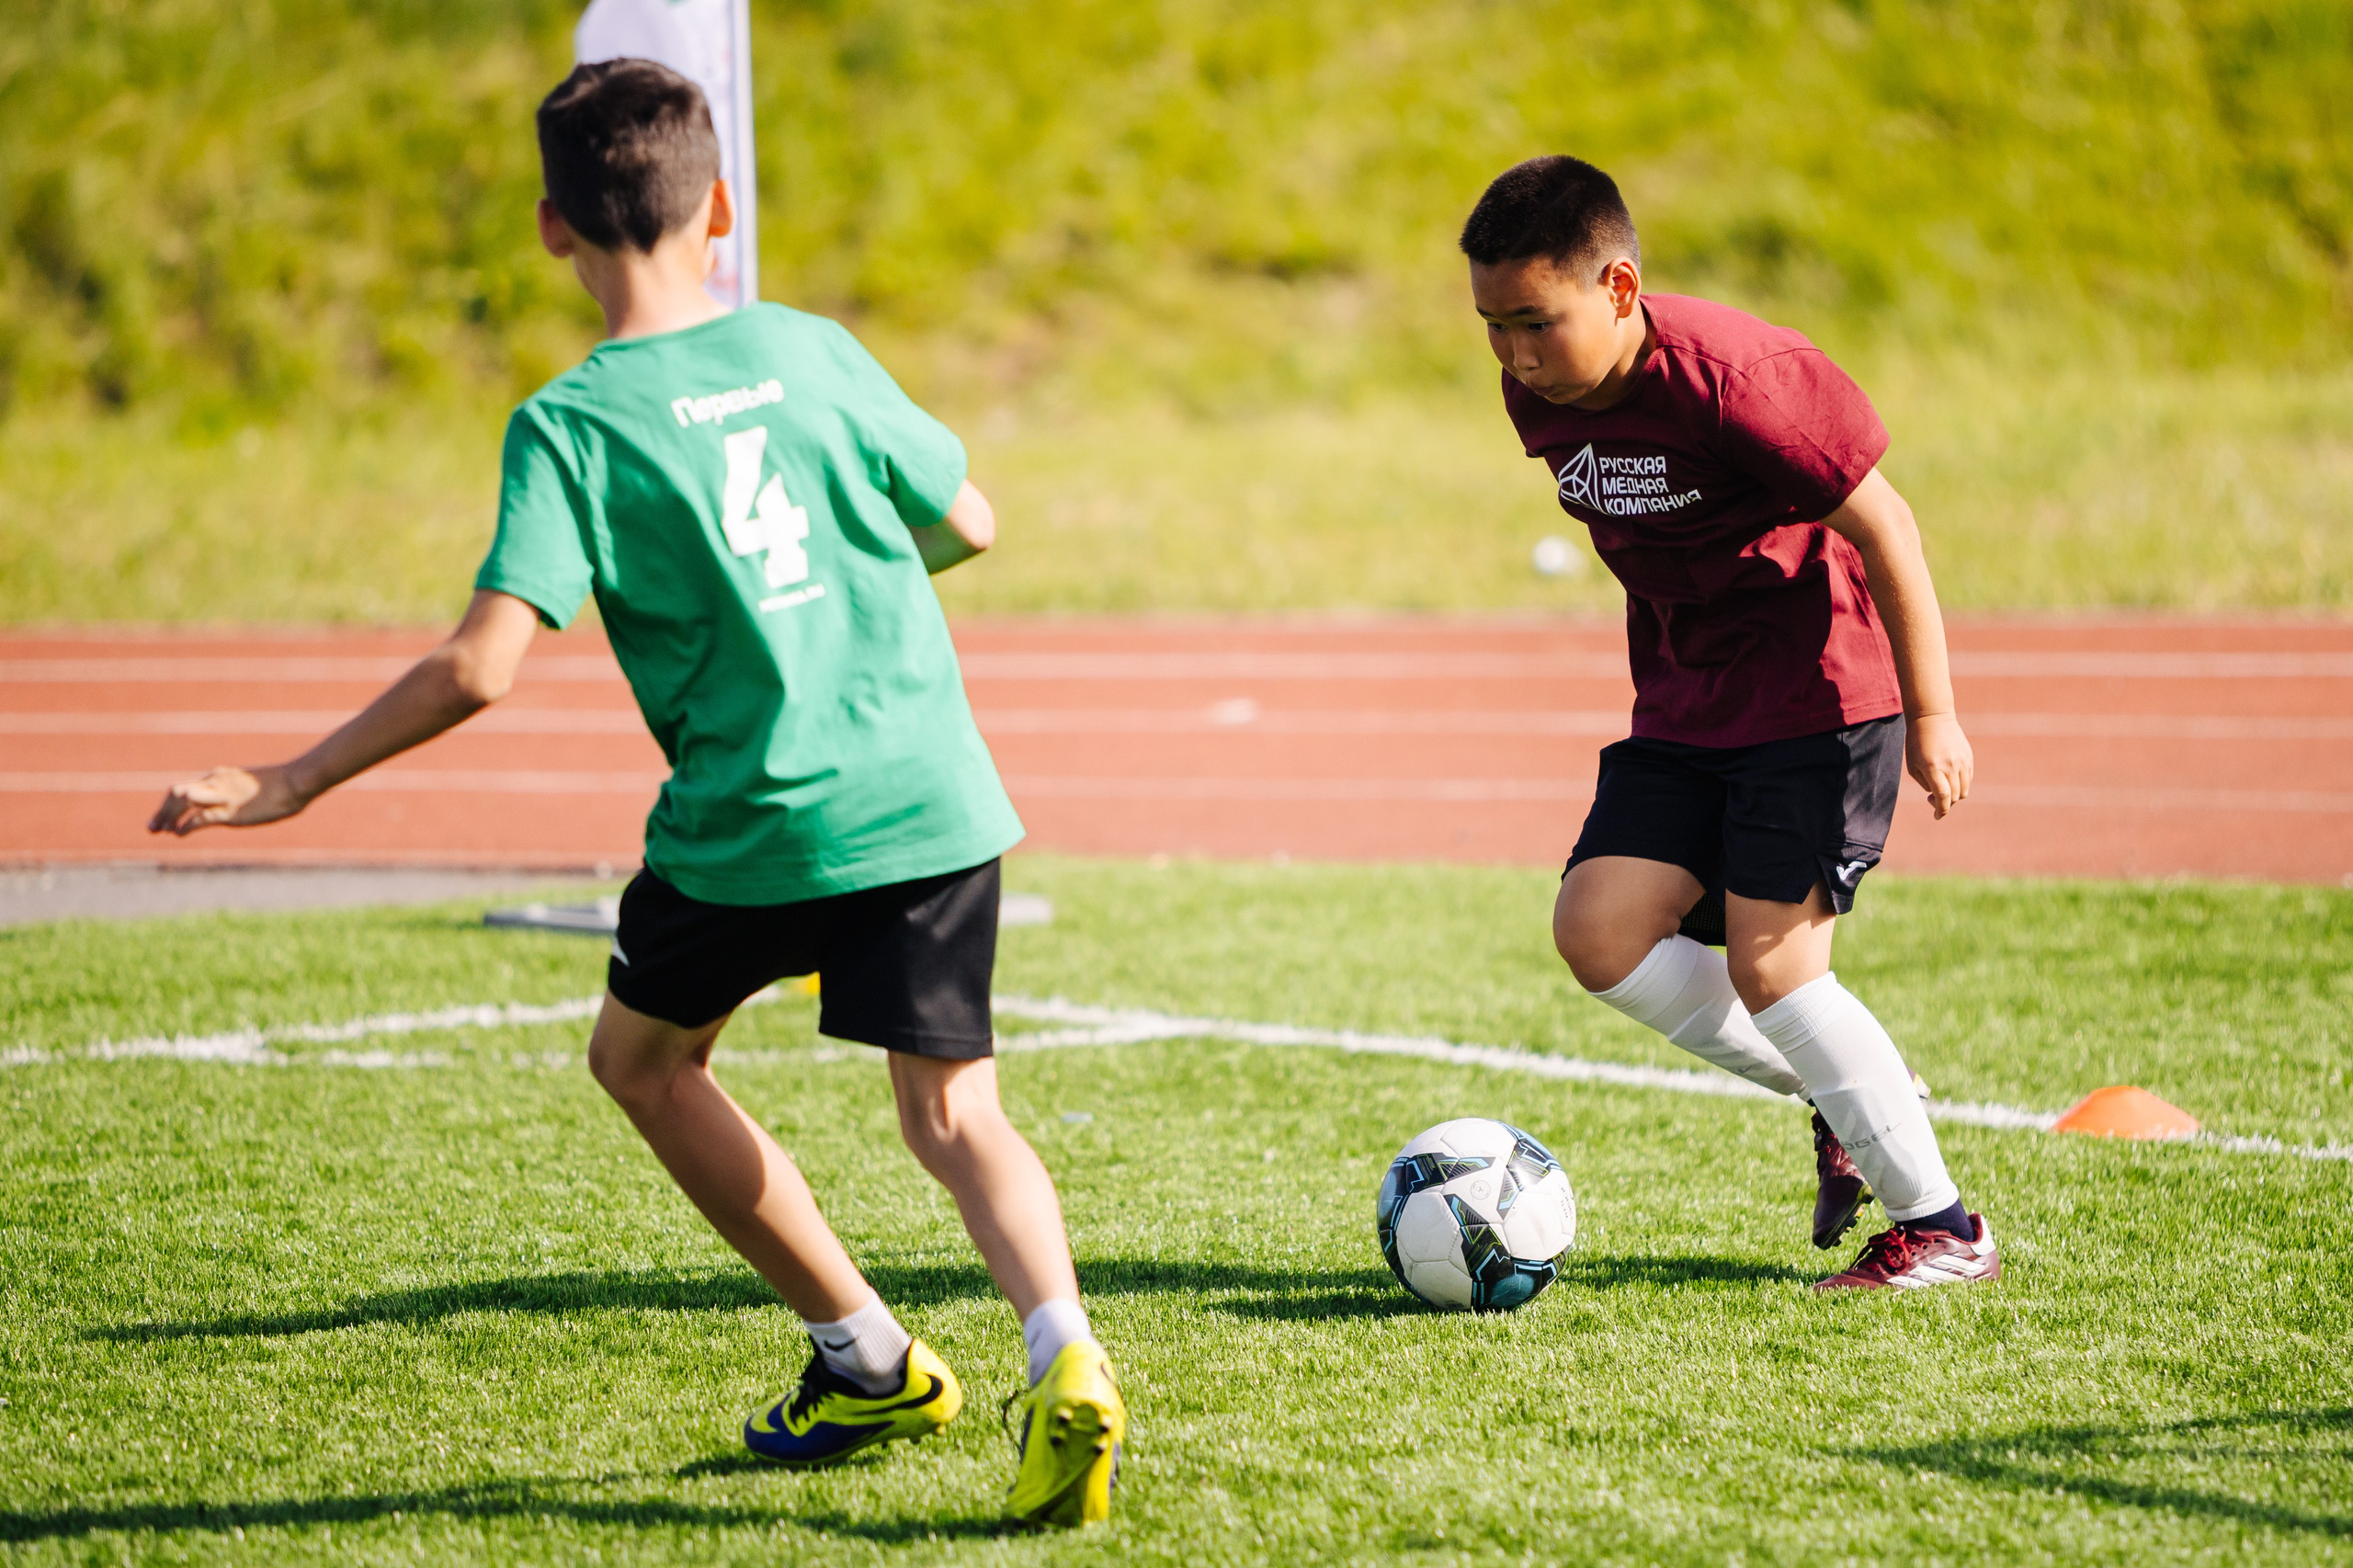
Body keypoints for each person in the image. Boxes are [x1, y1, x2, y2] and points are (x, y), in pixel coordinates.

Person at [147, 58, 1125, 1524]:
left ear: (552, 228)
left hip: (754, 825)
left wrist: (293, 777)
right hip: (931, 795)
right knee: (952, 1115)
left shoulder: (572, 423)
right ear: (719, 205)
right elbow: (968, 523)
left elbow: (482, 668)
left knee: (643, 1062)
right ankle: (1068, 1354)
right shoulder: (812, 345)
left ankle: (864, 1357)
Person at [1461, 155, 1999, 1291]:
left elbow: (1888, 527)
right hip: (1684, 702)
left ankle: (1943, 1226)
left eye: (1534, 322)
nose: (1512, 355)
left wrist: (1934, 714)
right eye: (1492, 325)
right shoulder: (1539, 390)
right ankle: (1850, 1093)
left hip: (1816, 697)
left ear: (1617, 285)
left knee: (1777, 970)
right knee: (1596, 931)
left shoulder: (1741, 378)